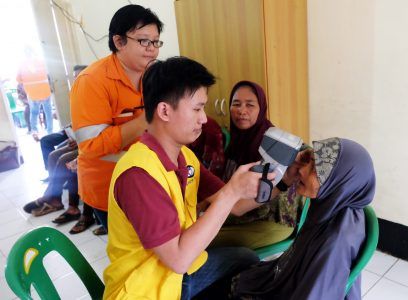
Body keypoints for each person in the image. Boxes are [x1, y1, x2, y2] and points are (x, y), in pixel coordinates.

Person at [103, 57, 275, 300]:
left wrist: (284, 179)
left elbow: (236, 206)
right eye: (197, 108)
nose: (204, 119)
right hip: (150, 289)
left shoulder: (183, 156)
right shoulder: (139, 175)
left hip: (176, 275)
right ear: (164, 110)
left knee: (245, 259)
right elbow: (179, 260)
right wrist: (231, 191)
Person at [231, 138, 376, 300]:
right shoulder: (333, 207)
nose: (302, 170)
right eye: (308, 161)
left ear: (339, 183)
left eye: (315, 168)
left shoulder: (334, 242)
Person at [70, 4, 162, 234]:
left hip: (148, 178)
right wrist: (144, 121)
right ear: (119, 41)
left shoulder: (152, 75)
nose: (152, 49)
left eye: (156, 42)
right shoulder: (91, 81)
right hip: (110, 187)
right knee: (130, 257)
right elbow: (91, 146)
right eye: (143, 41)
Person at [210, 80, 302, 249]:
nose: (241, 111)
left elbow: (241, 206)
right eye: (236, 104)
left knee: (203, 239)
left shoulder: (272, 145)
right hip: (241, 212)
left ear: (261, 109)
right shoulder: (237, 140)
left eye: (250, 105)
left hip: (270, 222)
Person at [16, 45, 53, 140]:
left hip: (33, 93)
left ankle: (35, 132)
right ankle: (50, 132)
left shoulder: (22, 65)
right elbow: (49, 74)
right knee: (48, 112)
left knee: (34, 113)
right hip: (45, 91)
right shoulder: (41, 62)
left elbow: (18, 79)